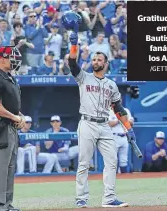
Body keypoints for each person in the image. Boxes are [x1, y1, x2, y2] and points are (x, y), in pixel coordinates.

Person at [68, 25, 136, 208]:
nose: (96, 61)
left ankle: (109, 199)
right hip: (87, 123)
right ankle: (81, 199)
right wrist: (74, 46)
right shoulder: (84, 77)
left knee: (112, 160)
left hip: (104, 125)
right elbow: (72, 65)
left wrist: (128, 128)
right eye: (94, 59)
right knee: (84, 163)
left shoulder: (111, 84)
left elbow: (118, 108)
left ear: (105, 64)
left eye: (99, 59)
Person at [0, 45, 25, 211]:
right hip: (0, 128)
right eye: (10, 56)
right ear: (0, 59)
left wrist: (20, 116)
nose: (14, 59)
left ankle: (6, 205)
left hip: (11, 128)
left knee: (8, 170)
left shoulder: (10, 79)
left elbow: (11, 106)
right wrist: (15, 117)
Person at [108, 105, 134, 173]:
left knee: (124, 160)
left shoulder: (125, 110)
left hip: (124, 137)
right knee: (113, 160)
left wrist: (124, 119)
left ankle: (123, 179)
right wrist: (118, 120)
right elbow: (109, 124)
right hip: (113, 137)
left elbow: (131, 123)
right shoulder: (109, 111)